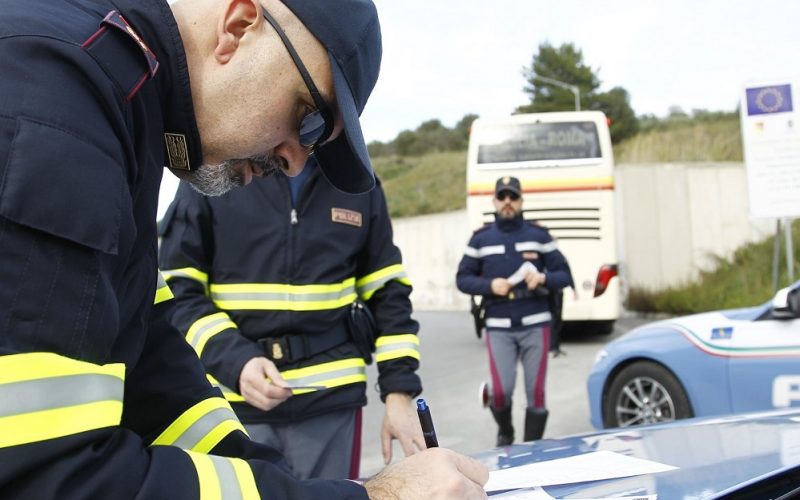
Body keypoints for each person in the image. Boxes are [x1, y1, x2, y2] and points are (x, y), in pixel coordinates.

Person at [0, 0, 488, 497]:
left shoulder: (121, 101)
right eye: (309, 118)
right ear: (239, 25)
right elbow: (46, 475)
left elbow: (154, 372)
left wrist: (275, 480)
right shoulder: (56, 91)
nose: (295, 162)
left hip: (328, 400)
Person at [158, 156, 424, 480]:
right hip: (233, 405)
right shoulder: (212, 173)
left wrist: (399, 393)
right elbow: (177, 291)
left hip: (332, 404)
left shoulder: (359, 184)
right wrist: (235, 362)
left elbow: (388, 293)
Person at [456, 176, 571, 446]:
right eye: (502, 196)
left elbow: (564, 274)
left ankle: (531, 452)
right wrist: (489, 285)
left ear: (521, 201)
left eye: (513, 197)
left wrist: (543, 278)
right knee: (500, 392)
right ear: (495, 201)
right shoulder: (480, 239)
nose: (508, 202)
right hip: (498, 326)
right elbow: (462, 279)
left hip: (536, 324)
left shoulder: (539, 236)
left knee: (536, 394)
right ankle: (505, 432)